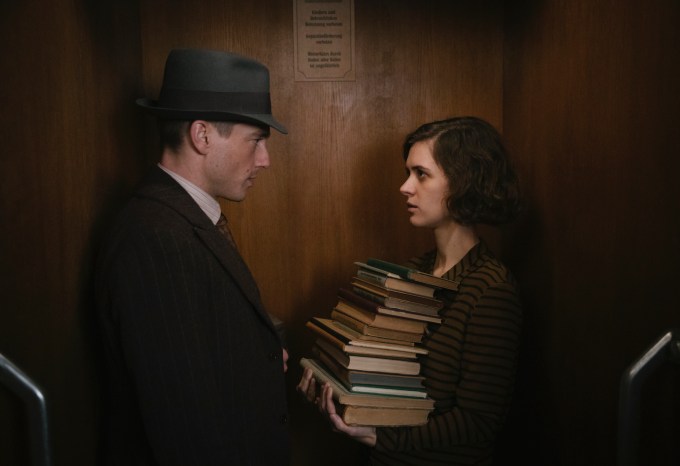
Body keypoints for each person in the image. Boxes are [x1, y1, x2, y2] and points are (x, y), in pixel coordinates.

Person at [95, 48, 290, 465]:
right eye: (256, 140)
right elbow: (183, 424)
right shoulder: (154, 239)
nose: (265, 160)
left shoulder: (179, 218)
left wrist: (259, 358)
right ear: (202, 136)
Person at [298, 116, 523, 465]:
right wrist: (336, 388)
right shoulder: (414, 271)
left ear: (463, 181)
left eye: (421, 174)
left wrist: (379, 436)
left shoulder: (491, 290)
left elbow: (478, 422)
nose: (405, 187)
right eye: (408, 173)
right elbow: (384, 379)